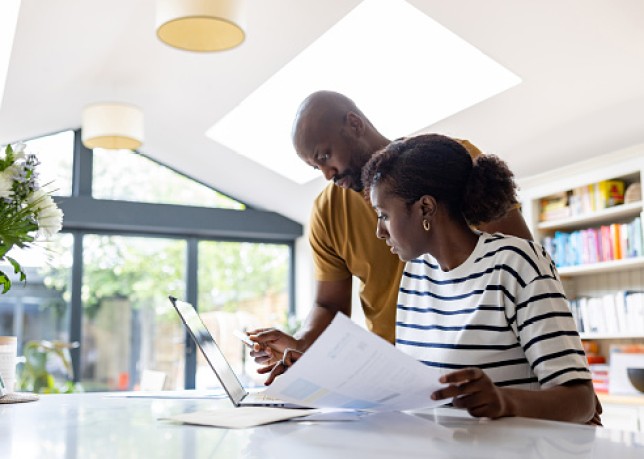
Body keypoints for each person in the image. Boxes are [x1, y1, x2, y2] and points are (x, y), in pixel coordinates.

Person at [264, 133, 600, 425]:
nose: (379, 231)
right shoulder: (416, 276)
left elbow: (581, 401)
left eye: (384, 215)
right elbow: (414, 388)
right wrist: (317, 374)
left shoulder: (517, 263)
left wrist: (503, 402)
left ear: (425, 208)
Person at [248, 90, 533, 367]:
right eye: (315, 167)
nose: (327, 175)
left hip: (478, 356)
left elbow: (521, 261)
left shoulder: (448, 163)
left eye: (324, 156)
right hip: (396, 371)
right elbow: (329, 306)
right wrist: (300, 345)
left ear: (355, 125)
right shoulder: (326, 211)